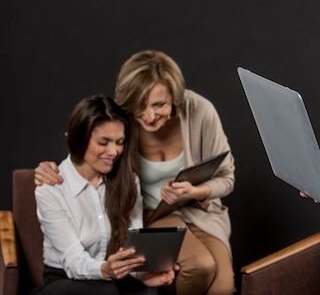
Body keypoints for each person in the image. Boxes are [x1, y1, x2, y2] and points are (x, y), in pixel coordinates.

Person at [34, 50, 236, 295]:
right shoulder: (122, 120)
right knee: (199, 265)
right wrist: (51, 167)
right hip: (150, 215)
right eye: (141, 106)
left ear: (175, 97)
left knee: (222, 287)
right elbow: (90, 137)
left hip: (199, 211)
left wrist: (196, 190)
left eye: (159, 104)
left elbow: (227, 176)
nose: (149, 116)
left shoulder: (198, 112)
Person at [34, 95, 176, 295]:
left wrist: (141, 274)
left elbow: (131, 247)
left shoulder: (128, 180)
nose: (113, 151)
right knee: (105, 291)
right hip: (64, 279)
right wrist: (104, 270)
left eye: (119, 142)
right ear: (79, 138)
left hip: (111, 276)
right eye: (103, 142)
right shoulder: (51, 188)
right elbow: (73, 260)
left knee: (148, 291)